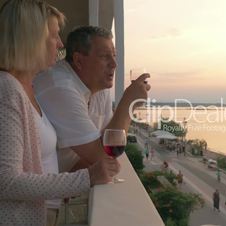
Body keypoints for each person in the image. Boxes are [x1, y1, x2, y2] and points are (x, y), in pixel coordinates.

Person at [0, 1, 119, 225]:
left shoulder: (26, 87)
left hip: (39, 211)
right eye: (54, 36)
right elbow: (5, 181)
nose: (60, 44)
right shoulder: (6, 90)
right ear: (30, 38)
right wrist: (88, 178)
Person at [34, 25, 150, 173]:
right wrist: (128, 104)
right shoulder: (60, 87)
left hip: (69, 182)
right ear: (78, 60)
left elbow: (107, 142)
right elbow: (102, 156)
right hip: (46, 190)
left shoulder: (99, 86)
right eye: (104, 56)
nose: (114, 64)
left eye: (114, 56)